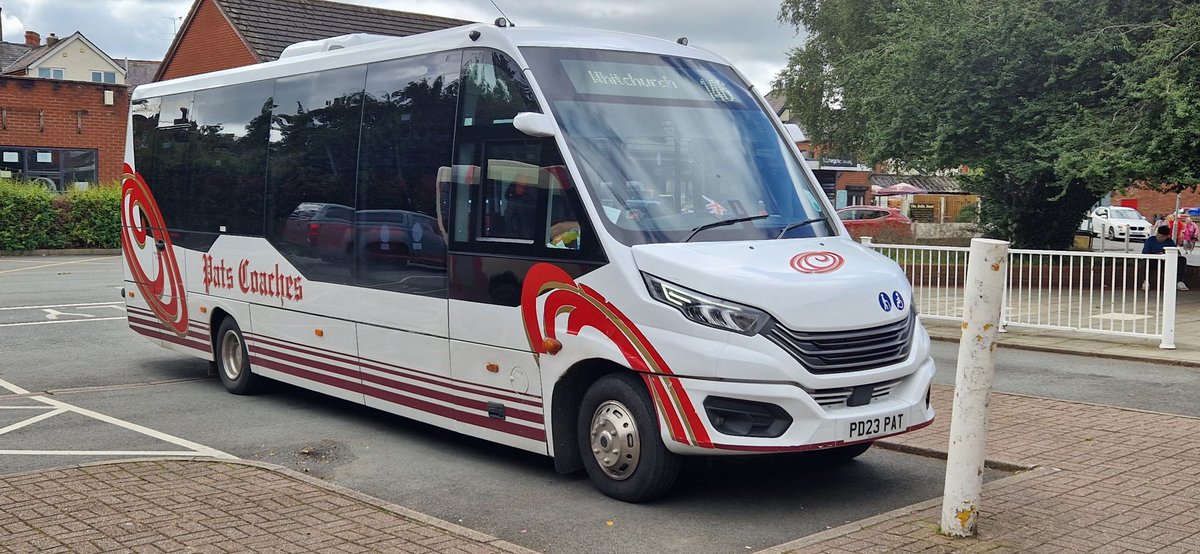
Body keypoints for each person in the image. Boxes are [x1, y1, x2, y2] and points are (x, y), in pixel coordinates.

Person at [1143, 225, 1189, 291]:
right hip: (1153, 261)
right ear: (1157, 234)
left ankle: (1179, 281)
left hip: (1167, 262)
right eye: (1162, 236)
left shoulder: (1169, 241)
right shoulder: (1150, 241)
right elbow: (1145, 253)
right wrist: (1156, 255)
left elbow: (1177, 253)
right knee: (1146, 262)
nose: (1163, 238)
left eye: (1165, 237)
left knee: (1182, 260)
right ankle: (1146, 281)